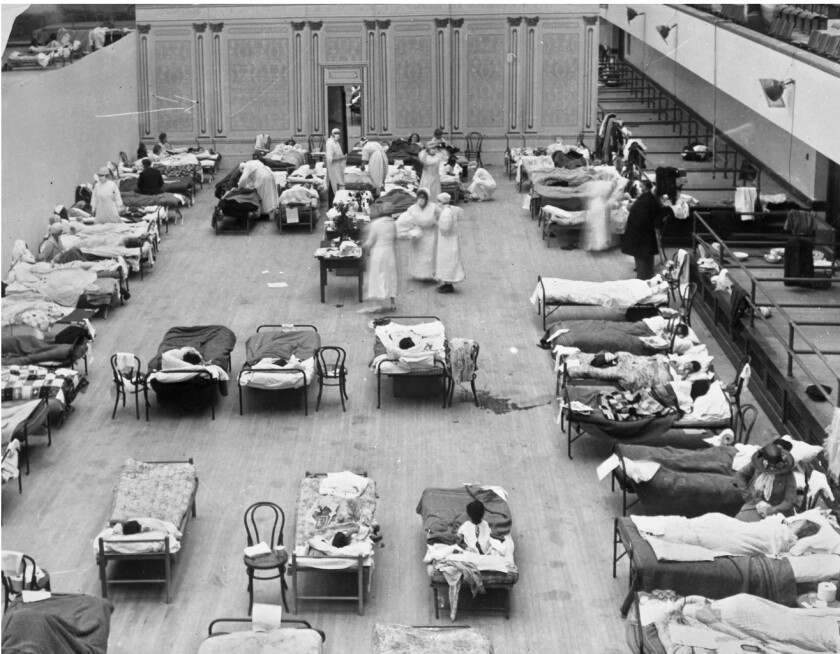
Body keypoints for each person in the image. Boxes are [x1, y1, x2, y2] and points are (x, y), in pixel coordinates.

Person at [733, 438, 797, 522]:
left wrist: (771, 510)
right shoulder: (759, 464)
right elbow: (740, 475)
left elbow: (789, 501)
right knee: (738, 521)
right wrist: (749, 497)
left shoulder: (788, 475)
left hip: (777, 510)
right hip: (755, 503)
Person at [620, 179, 663, 280]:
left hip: (640, 234)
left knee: (644, 262)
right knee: (644, 263)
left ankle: (645, 278)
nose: (639, 189)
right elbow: (654, 221)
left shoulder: (646, 199)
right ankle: (644, 280)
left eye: (641, 186)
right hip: (641, 235)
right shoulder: (648, 199)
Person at [359, 209, 398, 314]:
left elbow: (370, 241)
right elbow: (394, 240)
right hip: (390, 253)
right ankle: (392, 303)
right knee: (390, 276)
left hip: (378, 253)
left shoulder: (376, 224)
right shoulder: (393, 223)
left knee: (377, 277)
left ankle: (377, 304)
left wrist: (362, 246)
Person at [395, 189, 437, 281]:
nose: (421, 199)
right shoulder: (412, 208)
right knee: (418, 256)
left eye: (423, 197)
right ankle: (418, 274)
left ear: (427, 198)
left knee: (428, 256)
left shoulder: (434, 208)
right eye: (419, 197)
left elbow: (439, 220)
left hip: (430, 235)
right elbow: (404, 221)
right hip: (418, 235)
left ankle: (429, 275)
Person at [434, 193, 465, 294]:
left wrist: (436, 222)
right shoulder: (451, 209)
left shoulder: (446, 213)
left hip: (448, 242)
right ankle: (446, 283)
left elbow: (444, 229)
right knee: (447, 262)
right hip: (449, 241)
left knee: (447, 262)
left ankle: (448, 285)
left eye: (438, 201)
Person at [325, 128, 347, 200]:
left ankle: (342, 199)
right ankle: (339, 200)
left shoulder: (336, 142)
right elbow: (330, 159)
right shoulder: (330, 143)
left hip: (339, 166)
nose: (338, 135)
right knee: (336, 183)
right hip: (333, 167)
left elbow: (338, 154)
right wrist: (342, 158)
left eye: (339, 133)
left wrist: (343, 157)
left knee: (341, 182)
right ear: (332, 134)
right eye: (336, 133)